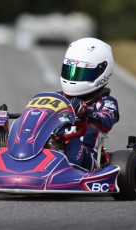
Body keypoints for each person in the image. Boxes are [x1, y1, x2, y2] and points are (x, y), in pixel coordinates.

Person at [58, 37, 119, 171]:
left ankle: (65, 170)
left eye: (81, 73)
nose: (73, 78)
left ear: (101, 72)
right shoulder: (57, 98)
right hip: (54, 150)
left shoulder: (106, 102)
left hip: (86, 157)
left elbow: (106, 119)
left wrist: (85, 112)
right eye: (70, 71)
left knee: (73, 145)